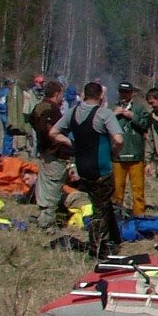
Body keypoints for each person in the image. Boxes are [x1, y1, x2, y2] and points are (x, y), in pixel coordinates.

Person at [51, 81, 124, 259]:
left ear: (84, 94)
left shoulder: (73, 112)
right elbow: (119, 139)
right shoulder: (104, 114)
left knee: (103, 203)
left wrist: (71, 143)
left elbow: (53, 132)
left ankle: (114, 238)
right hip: (101, 168)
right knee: (100, 208)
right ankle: (97, 247)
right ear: (100, 96)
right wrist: (114, 153)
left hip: (83, 168)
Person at [29, 80, 72, 230]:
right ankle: (47, 222)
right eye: (61, 93)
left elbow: (31, 121)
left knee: (45, 185)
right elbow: (49, 132)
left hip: (44, 151)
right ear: (56, 94)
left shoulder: (39, 106)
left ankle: (44, 217)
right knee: (52, 186)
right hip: (54, 153)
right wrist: (67, 143)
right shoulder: (50, 110)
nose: (63, 97)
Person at [110, 82, 151, 215]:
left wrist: (133, 117)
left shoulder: (139, 109)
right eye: (122, 92)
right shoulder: (111, 109)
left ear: (132, 93)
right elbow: (101, 125)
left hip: (136, 155)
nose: (124, 95)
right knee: (117, 190)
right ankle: (117, 217)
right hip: (118, 156)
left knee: (138, 190)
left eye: (127, 92)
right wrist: (113, 115)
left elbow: (146, 125)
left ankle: (139, 217)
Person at [0, 78, 15, 155]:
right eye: (12, 84)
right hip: (6, 115)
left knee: (6, 133)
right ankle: (7, 152)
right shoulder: (8, 92)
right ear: (9, 84)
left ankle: (5, 150)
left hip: (2, 114)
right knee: (9, 134)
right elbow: (7, 105)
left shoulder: (1, 92)